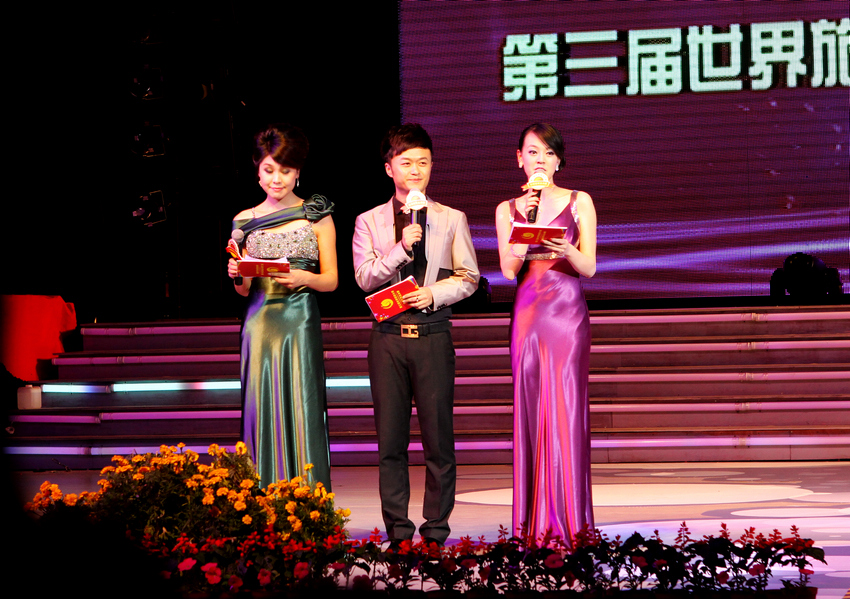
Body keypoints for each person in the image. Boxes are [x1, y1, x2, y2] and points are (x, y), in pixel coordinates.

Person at [352, 124, 479, 545]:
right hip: (387, 336)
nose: (415, 171)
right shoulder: (368, 221)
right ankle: (399, 533)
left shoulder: (451, 218)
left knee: (439, 441)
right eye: (406, 163)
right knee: (390, 441)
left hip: (433, 333)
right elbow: (365, 278)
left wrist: (434, 294)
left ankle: (436, 531)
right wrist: (400, 249)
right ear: (389, 168)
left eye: (423, 163)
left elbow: (469, 277)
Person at [495, 123, 597, 544]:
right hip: (529, 314)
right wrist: (526, 229)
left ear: (559, 161)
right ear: (520, 158)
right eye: (533, 152)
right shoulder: (507, 208)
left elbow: (589, 267)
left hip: (567, 313)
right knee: (531, 408)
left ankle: (572, 523)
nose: (541, 160)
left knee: (567, 407)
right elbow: (507, 270)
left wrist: (567, 249)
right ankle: (532, 525)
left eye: (549, 153)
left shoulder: (578, 201)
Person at [228, 123, 337, 490]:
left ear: (298, 172)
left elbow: (332, 280)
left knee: (303, 403)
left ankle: (308, 498)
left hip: (300, 318)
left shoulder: (316, 213)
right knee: (260, 405)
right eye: (269, 170)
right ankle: (259, 498)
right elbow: (244, 290)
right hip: (259, 321)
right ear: (257, 171)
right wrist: (236, 273)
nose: (277, 179)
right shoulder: (244, 220)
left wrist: (304, 278)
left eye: (286, 171)